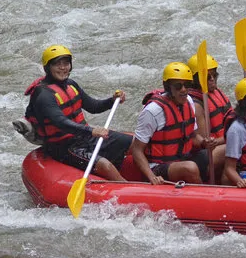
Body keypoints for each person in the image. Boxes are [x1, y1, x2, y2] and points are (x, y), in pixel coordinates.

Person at [24, 44, 132, 181]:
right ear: (48, 67)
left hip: (84, 137)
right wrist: (91, 131)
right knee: (105, 166)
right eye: (57, 64)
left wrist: (112, 100)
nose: (63, 68)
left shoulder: (71, 84)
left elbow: (93, 106)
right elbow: (61, 122)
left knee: (132, 142)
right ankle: (127, 186)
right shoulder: (43, 95)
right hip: (62, 147)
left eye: (66, 63)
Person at [130, 62, 213, 185]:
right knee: (190, 168)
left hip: (183, 157)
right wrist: (151, 176)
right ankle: (205, 194)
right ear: (169, 87)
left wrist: (203, 142)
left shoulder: (189, 101)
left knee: (220, 152)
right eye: (178, 86)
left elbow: (193, 136)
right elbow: (136, 150)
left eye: (187, 85)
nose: (184, 90)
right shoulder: (153, 111)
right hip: (158, 166)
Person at [187, 52, 232, 183]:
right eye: (207, 76)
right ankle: (227, 182)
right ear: (196, 79)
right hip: (201, 157)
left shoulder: (216, 94)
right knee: (235, 147)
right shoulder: (196, 105)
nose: (212, 79)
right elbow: (205, 144)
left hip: (220, 147)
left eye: (214, 75)